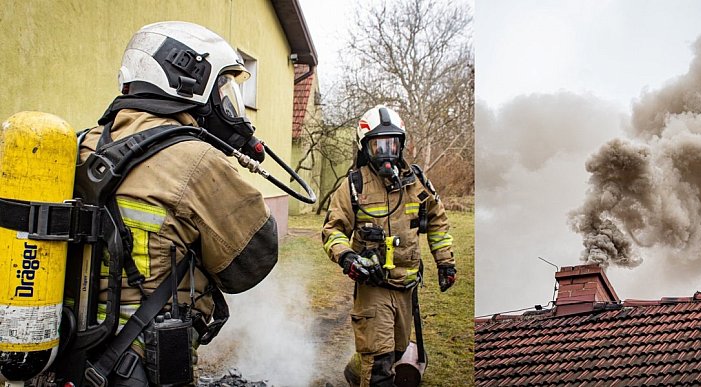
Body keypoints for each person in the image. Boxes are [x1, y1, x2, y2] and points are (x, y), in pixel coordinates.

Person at [75, 21, 278, 386]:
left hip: (71, 349)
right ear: (187, 82)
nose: (226, 104)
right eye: (222, 90)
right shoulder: (197, 160)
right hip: (144, 362)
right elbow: (250, 265)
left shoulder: (83, 144)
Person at [321, 105, 457, 387]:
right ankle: (368, 372)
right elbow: (332, 229)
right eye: (378, 145)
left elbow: (437, 220)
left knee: (395, 351)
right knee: (380, 362)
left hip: (406, 287)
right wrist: (347, 257)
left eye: (391, 143)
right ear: (365, 148)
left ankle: (355, 372)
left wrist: (445, 262)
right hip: (374, 288)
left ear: (400, 144)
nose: (386, 152)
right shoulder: (354, 186)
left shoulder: (416, 182)